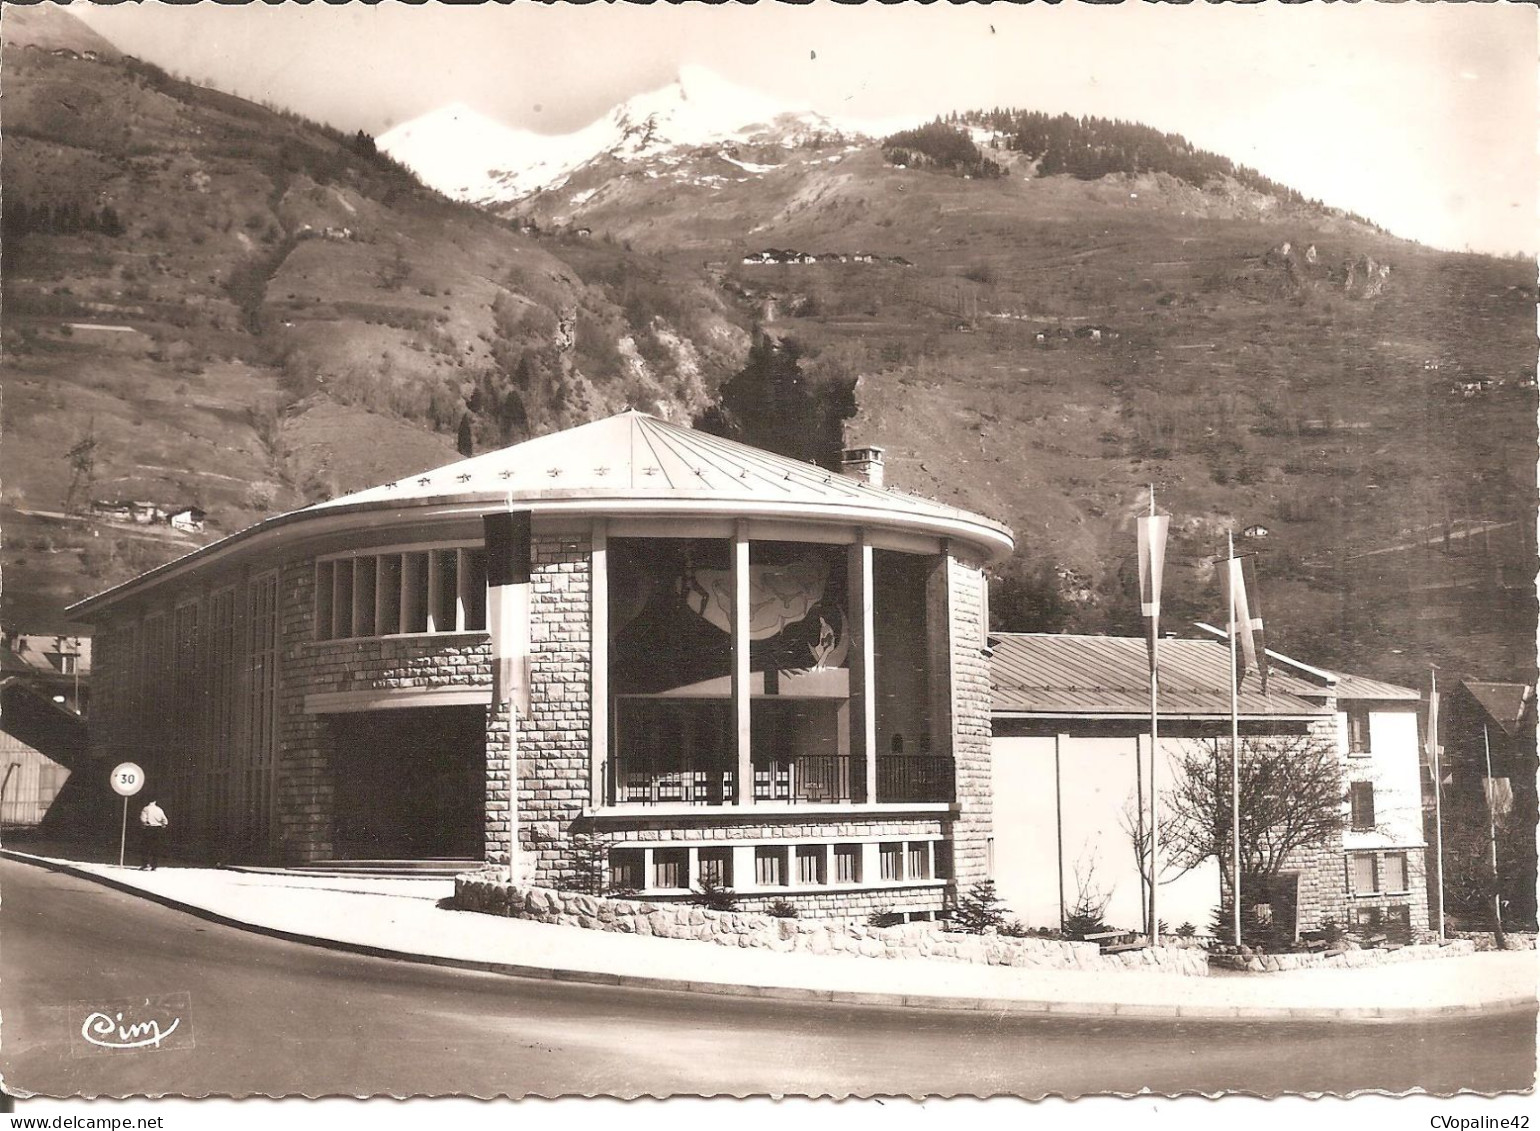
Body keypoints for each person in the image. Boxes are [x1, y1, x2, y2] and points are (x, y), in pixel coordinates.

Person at [139, 799, 169, 870]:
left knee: (146, 847)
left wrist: (144, 824)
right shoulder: (159, 809)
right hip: (158, 830)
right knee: (156, 848)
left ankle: (145, 865)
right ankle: (154, 866)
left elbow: (143, 819)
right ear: (155, 801)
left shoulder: (146, 809)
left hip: (148, 829)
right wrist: (162, 825)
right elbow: (165, 820)